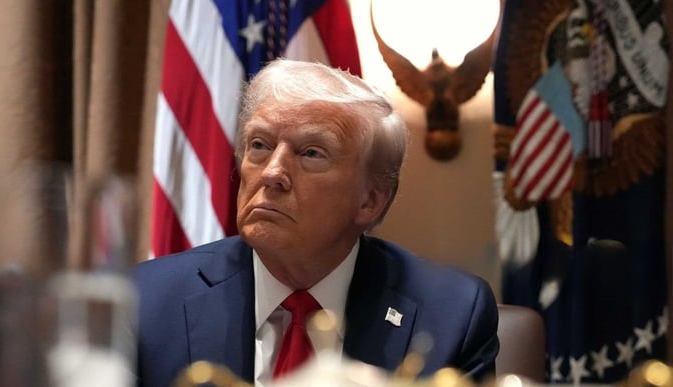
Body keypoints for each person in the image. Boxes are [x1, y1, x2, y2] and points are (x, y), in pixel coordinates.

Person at [135, 58, 499, 387]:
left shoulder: (452, 315)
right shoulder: (146, 301)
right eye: (259, 145)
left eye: (311, 153)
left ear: (370, 200)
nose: (273, 173)